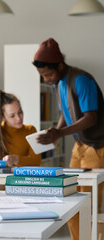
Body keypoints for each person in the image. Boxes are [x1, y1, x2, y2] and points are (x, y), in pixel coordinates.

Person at [32, 37, 104, 240]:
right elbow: (66, 111)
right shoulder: (58, 82)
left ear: (60, 65)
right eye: (42, 75)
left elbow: (91, 118)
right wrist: (56, 131)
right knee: (70, 201)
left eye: (48, 74)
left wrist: (60, 134)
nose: (46, 79)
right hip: (79, 145)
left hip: (97, 147)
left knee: (89, 205)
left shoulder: (81, 80)